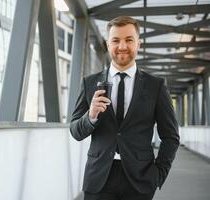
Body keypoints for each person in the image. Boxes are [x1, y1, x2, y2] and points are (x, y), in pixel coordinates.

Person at [70, 16, 180, 200]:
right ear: (107, 44)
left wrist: (158, 175)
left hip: (140, 180)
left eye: (129, 40)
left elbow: (171, 137)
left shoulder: (156, 86)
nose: (122, 46)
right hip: (98, 179)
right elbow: (75, 131)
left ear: (139, 44)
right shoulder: (90, 83)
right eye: (115, 40)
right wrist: (90, 117)